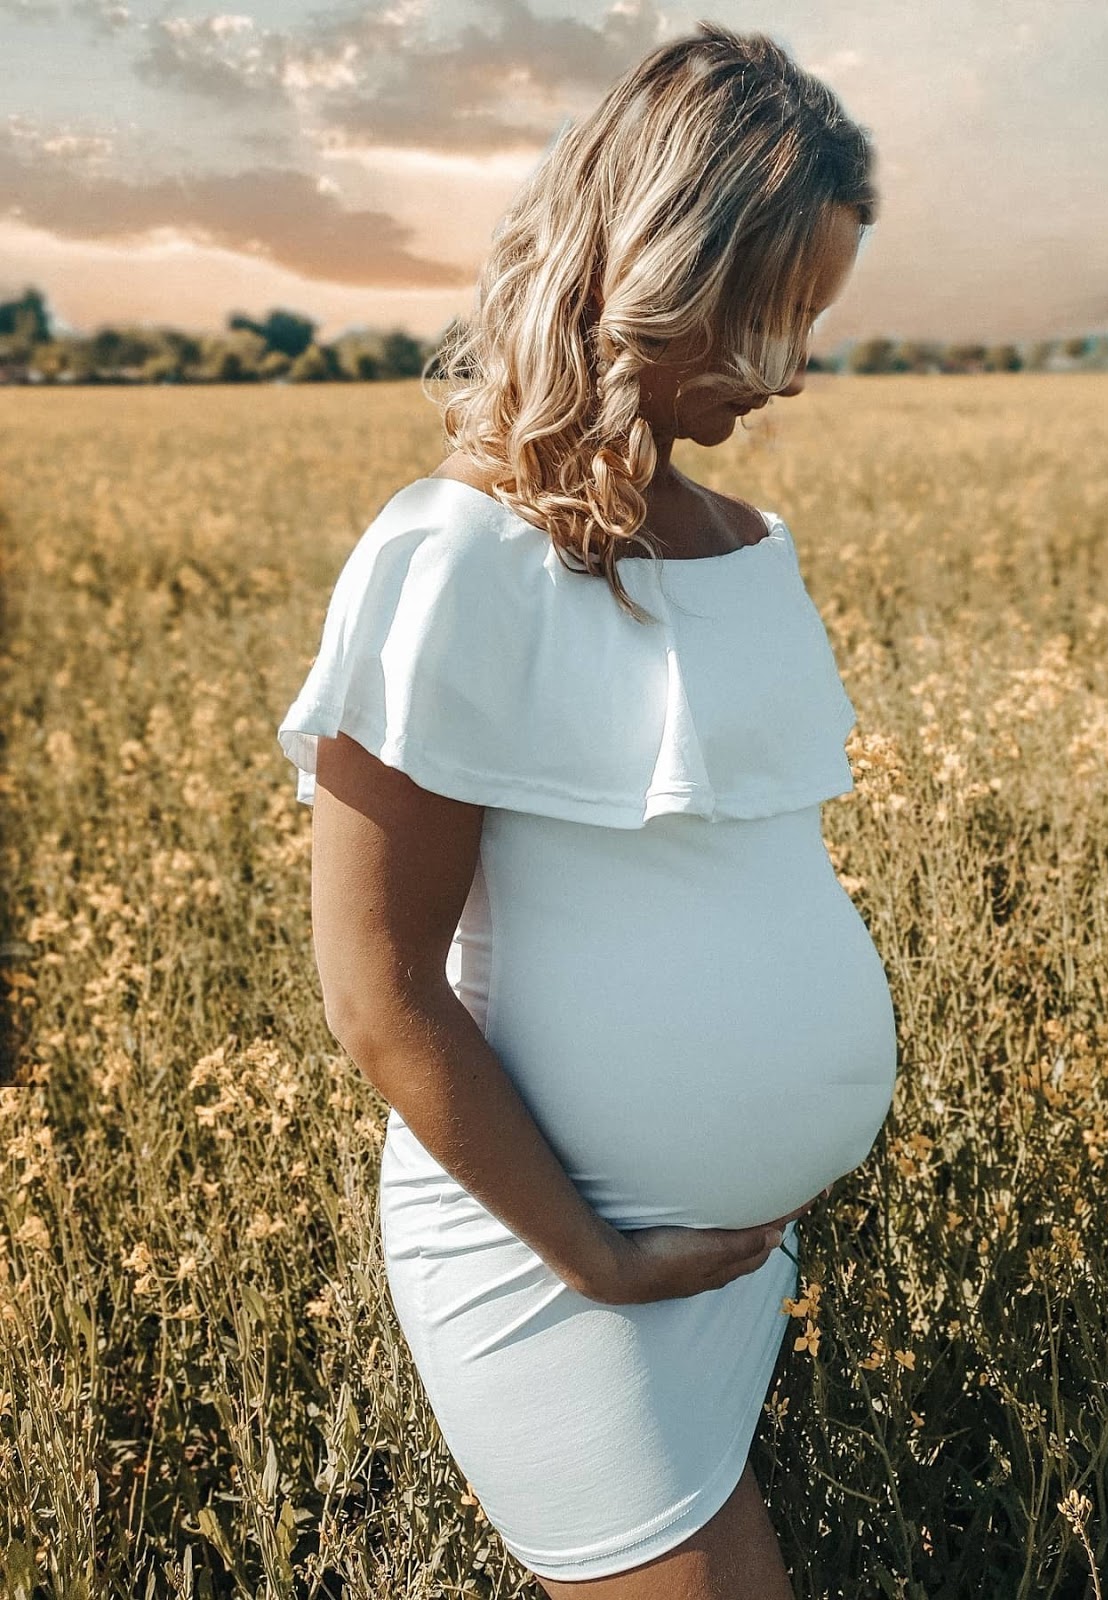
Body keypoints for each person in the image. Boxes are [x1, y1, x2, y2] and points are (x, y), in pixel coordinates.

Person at [278, 22, 897, 1597]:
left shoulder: (748, 539)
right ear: (659, 274)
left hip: (730, 1260)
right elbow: (376, 986)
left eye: (813, 322)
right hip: (551, 1254)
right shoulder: (448, 556)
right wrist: (599, 1254)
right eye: (771, 320)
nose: (794, 371)